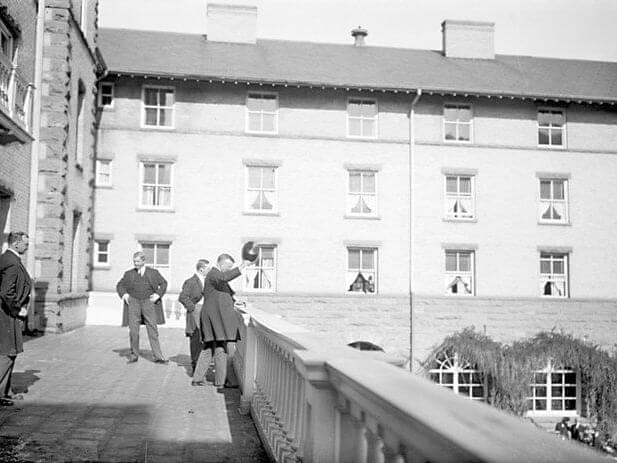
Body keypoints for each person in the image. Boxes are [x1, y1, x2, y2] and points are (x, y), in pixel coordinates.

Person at [191, 253, 247, 387]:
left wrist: (236, 302)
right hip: (214, 318)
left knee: (211, 347)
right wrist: (243, 266)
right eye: (228, 267)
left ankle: (200, 379)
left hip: (215, 317)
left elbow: (227, 293)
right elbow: (225, 277)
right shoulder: (214, 274)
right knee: (219, 347)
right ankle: (221, 381)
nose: (228, 269)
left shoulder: (217, 277)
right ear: (221, 264)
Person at [116, 251, 168, 364]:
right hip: (133, 303)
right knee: (133, 331)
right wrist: (124, 294)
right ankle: (134, 355)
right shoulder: (128, 274)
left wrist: (157, 295)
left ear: (144, 261)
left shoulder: (153, 273)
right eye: (134, 261)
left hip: (149, 303)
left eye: (138, 261)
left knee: (153, 330)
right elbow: (120, 285)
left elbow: (164, 283)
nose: (136, 263)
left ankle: (158, 356)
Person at [0, 232, 32, 406]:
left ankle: (5, 392)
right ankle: (1, 393)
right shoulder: (11, 262)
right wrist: (17, 309)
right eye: (25, 243)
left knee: (7, 353)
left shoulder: (7, 258)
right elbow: (6, 292)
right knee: (7, 353)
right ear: (16, 243)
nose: (27, 246)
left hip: (5, 312)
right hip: (7, 313)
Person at [178, 259, 211, 372]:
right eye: (208, 268)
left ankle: (202, 364)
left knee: (205, 338)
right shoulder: (191, 281)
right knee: (196, 338)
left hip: (206, 311)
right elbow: (182, 297)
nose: (209, 270)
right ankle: (195, 364)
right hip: (196, 311)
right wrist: (192, 308)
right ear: (201, 269)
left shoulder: (207, 281)